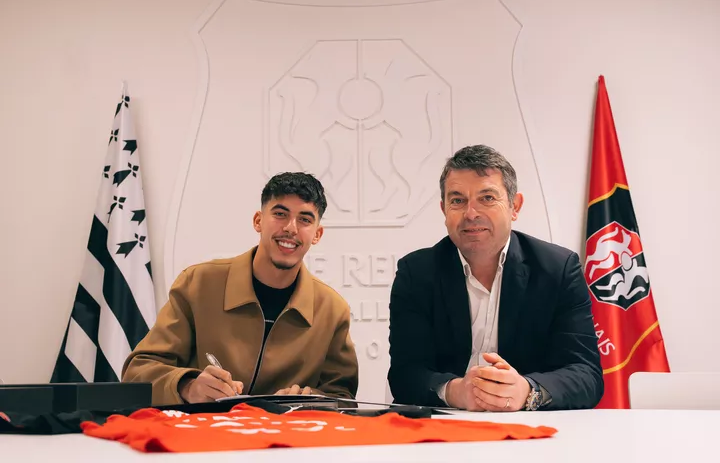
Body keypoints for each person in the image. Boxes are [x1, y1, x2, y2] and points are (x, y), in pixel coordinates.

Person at [387, 145, 603, 411]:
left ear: (515, 206)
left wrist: (528, 391)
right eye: (458, 201)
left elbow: (586, 374)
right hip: (447, 422)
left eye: (487, 198)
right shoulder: (416, 273)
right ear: (444, 210)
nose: (471, 213)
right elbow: (405, 375)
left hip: (529, 425)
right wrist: (455, 391)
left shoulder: (557, 270)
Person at [123, 172, 359, 405]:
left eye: (305, 220)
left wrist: (312, 401)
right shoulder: (198, 284)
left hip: (287, 431)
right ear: (258, 221)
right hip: (203, 429)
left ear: (317, 234)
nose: (291, 228)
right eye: (280, 214)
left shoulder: (332, 310)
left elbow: (343, 398)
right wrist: (187, 387)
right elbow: (137, 372)